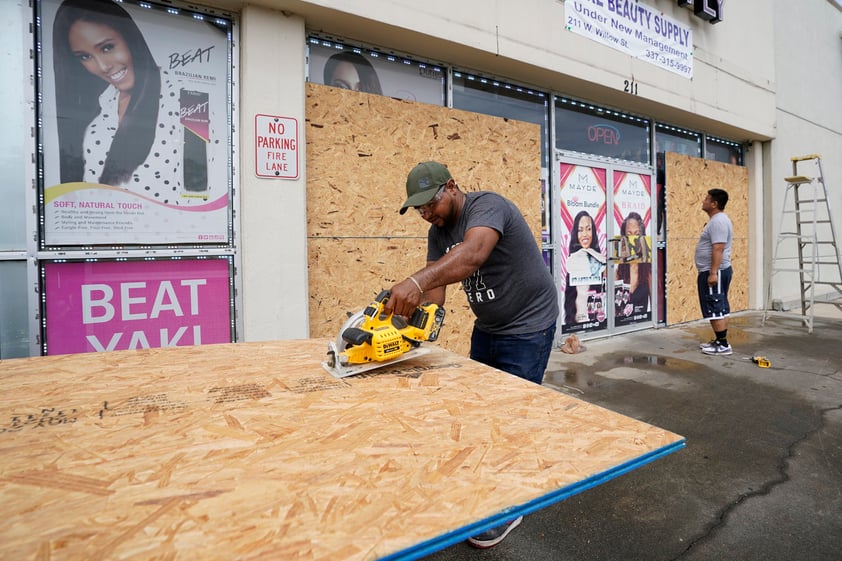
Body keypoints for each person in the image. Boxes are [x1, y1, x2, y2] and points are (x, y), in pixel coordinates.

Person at [384, 161, 559, 549]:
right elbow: (435, 291)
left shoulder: (487, 207)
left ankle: (510, 506)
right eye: (418, 209)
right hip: (490, 327)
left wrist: (414, 281)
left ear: (451, 187)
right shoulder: (437, 232)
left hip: (529, 324)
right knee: (480, 411)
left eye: (430, 204)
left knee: (512, 414)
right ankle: (482, 487)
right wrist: (412, 334)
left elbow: (473, 254)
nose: (426, 213)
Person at [52, 0, 205, 204]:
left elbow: (199, 190)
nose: (103, 66)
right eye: (85, 56)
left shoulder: (187, 98)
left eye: (107, 47)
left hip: (165, 231)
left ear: (129, 38)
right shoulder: (99, 106)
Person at [695, 188, 734, 355]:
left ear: (714, 204)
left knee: (715, 305)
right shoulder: (717, 220)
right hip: (716, 271)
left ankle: (723, 345)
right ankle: (719, 340)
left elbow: (718, 248)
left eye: (706, 199)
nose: (703, 201)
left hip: (715, 272)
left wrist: (712, 273)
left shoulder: (718, 221)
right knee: (719, 306)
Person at [564, 210, 605, 328]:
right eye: (580, 230)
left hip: (595, 322)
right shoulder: (572, 261)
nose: (585, 234)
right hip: (575, 321)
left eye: (588, 229)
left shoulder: (599, 261)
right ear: (575, 234)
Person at [616, 211, 651, 317]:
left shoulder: (648, 269)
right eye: (629, 234)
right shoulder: (617, 269)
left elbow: (655, 303)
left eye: (637, 234)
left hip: (641, 324)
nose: (633, 239)